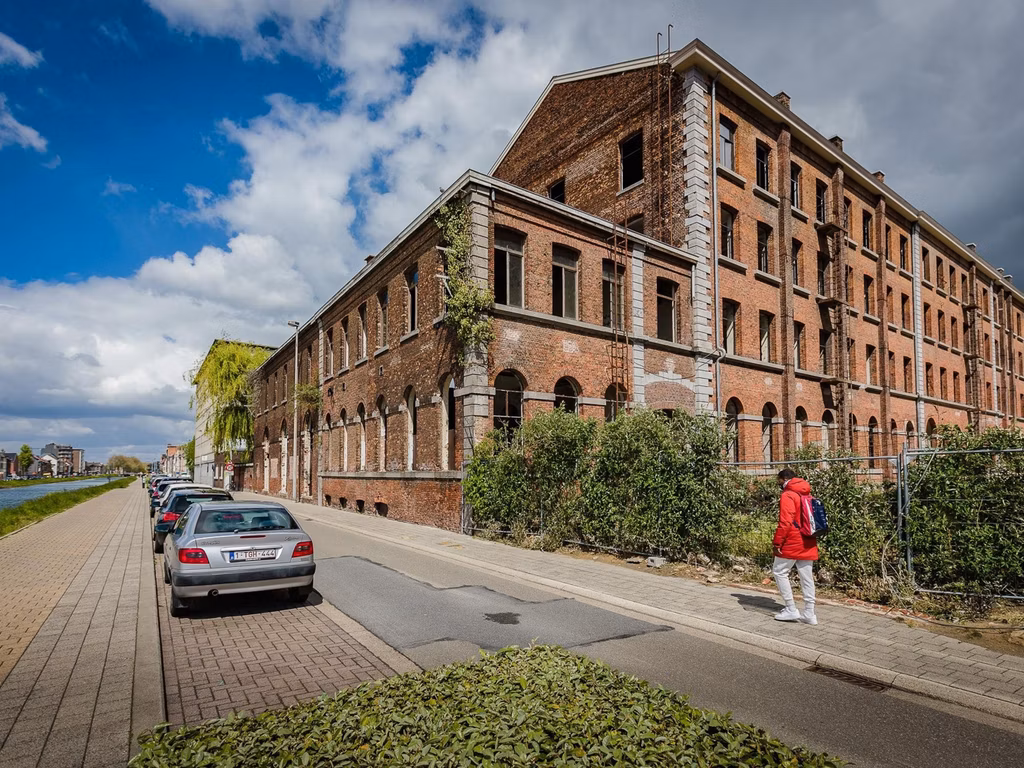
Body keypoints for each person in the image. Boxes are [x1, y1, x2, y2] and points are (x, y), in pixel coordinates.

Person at [772, 468, 818, 625]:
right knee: (807, 576)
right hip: (809, 538)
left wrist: (777, 542)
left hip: (792, 539)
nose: (779, 484)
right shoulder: (806, 493)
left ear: (785, 478)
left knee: (779, 571)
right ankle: (810, 613)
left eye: (779, 481)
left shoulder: (788, 495)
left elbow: (785, 521)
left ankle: (791, 608)